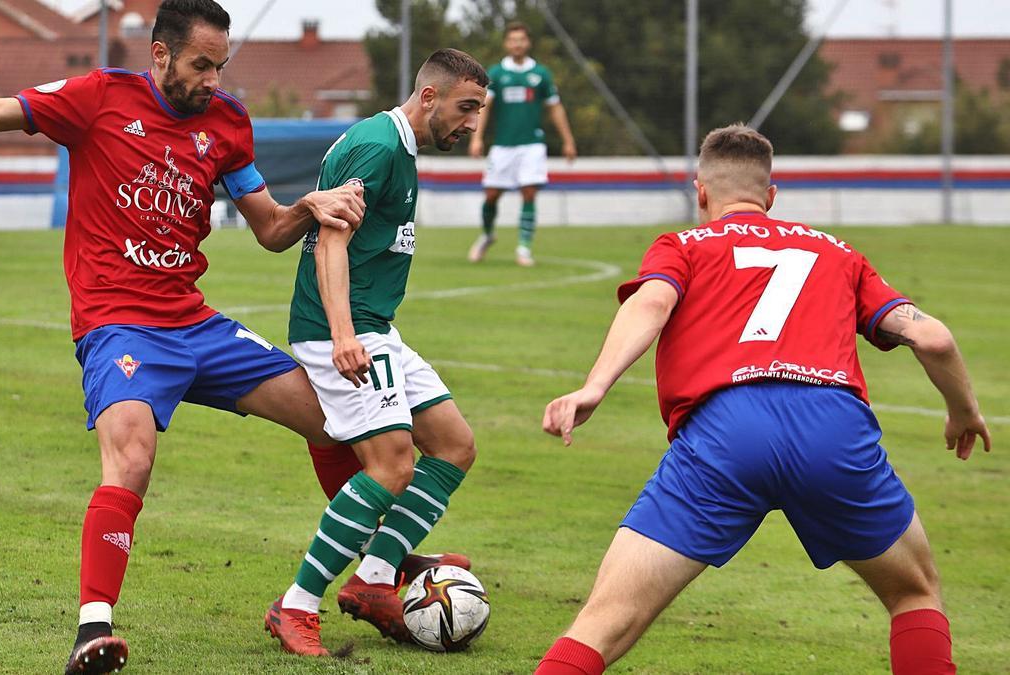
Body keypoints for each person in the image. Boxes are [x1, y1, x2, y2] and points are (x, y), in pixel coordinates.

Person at [0, 2, 372, 673]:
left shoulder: (225, 121)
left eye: (221, 65)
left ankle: (369, 570)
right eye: (201, 64)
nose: (212, 79)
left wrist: (308, 205)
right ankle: (92, 629)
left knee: (332, 419)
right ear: (161, 54)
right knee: (133, 457)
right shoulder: (97, 98)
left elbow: (270, 231)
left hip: (196, 322)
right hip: (120, 325)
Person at [534, 124, 991, 675]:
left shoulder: (681, 245)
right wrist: (963, 411)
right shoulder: (838, 253)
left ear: (700, 191)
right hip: (833, 430)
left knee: (605, 620)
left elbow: (651, 303)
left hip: (727, 433)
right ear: (771, 197)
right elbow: (933, 337)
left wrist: (595, 385)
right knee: (914, 593)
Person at [263, 49, 490, 657]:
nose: (471, 123)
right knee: (392, 465)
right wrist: (343, 335)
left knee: (454, 445)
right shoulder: (379, 148)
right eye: (466, 108)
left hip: (376, 326)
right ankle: (297, 606)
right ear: (429, 97)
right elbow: (329, 242)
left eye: (479, 111)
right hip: (345, 327)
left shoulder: (401, 150)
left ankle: (375, 580)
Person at [467, 21, 576, 267]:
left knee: (529, 192)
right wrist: (476, 138)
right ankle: (487, 235)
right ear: (507, 43)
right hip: (503, 146)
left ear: (528, 43)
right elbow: (485, 108)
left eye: (521, 39)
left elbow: (555, 108)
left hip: (532, 144)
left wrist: (568, 140)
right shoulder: (495, 74)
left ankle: (524, 248)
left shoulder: (541, 74)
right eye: (513, 39)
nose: (517, 44)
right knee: (492, 195)